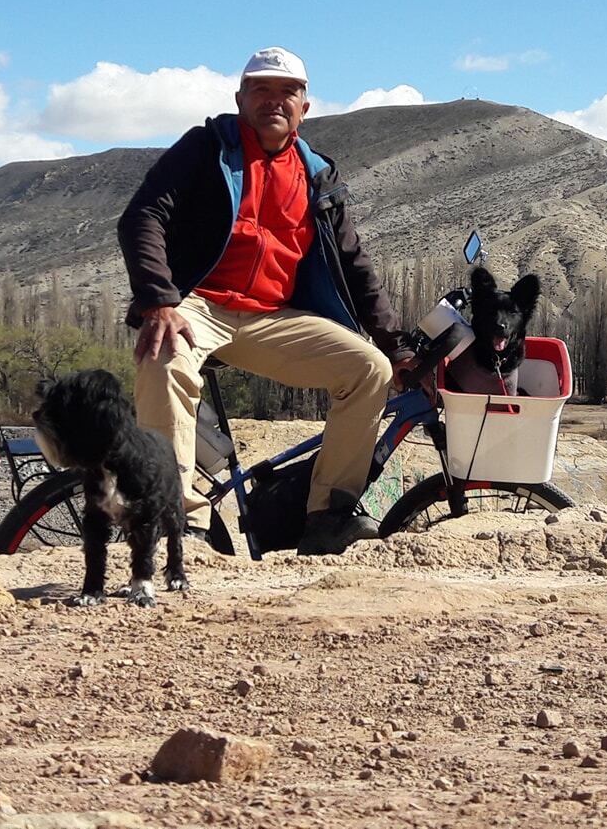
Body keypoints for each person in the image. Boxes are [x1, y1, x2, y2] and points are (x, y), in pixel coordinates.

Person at [119, 46, 413, 555]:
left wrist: (396, 343)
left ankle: (328, 516)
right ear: (240, 99)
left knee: (369, 370)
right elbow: (143, 216)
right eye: (261, 90)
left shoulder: (318, 173)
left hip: (272, 317)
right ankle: (177, 518)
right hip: (198, 304)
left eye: (286, 92)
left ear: (304, 105)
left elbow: (354, 262)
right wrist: (159, 301)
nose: (273, 101)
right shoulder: (206, 148)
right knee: (165, 353)